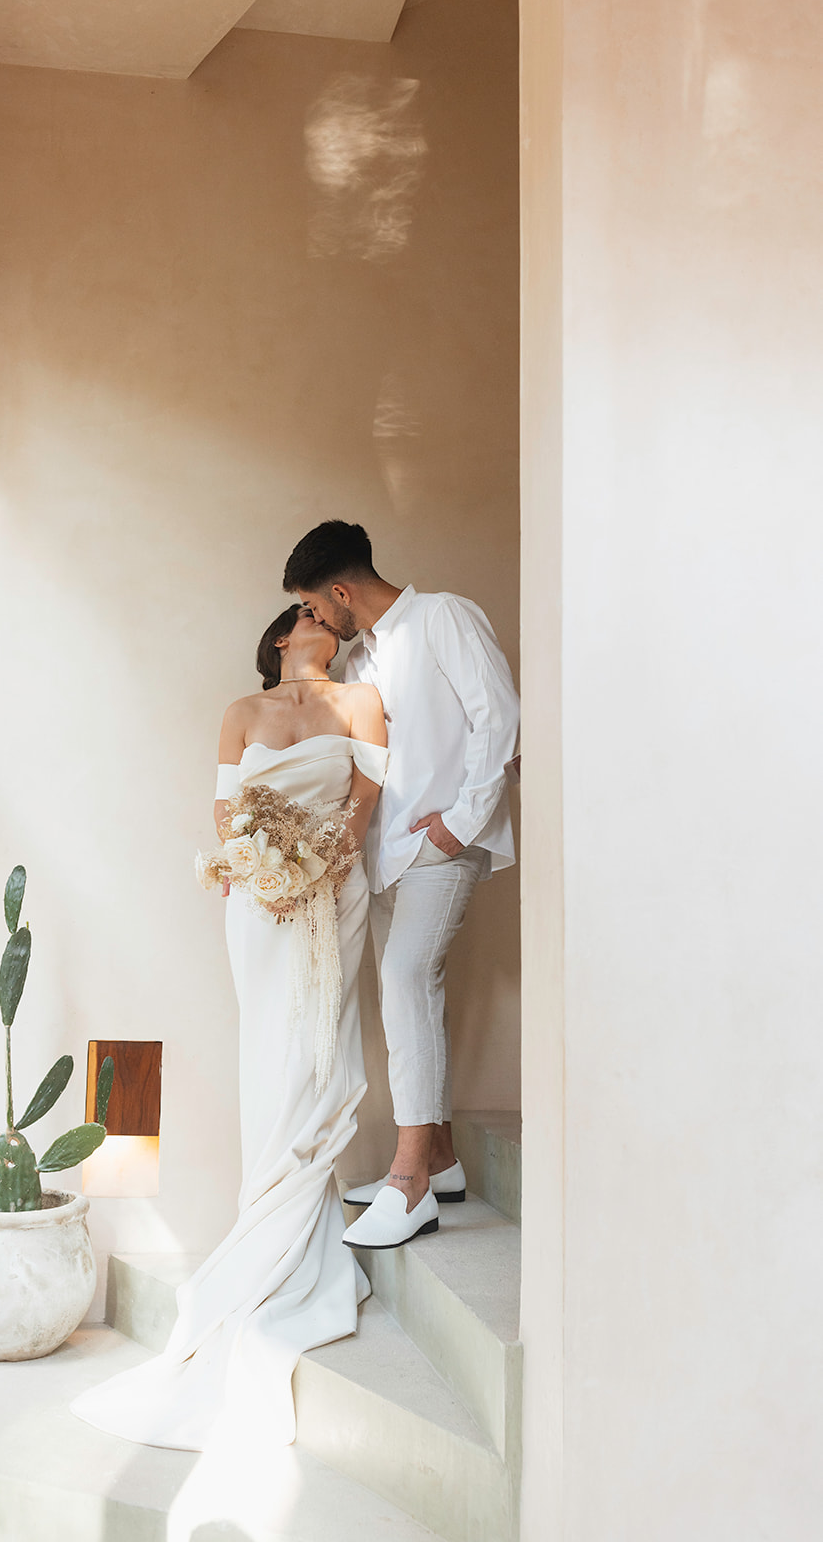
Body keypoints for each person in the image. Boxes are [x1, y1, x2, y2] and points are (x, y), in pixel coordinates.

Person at [71, 604, 387, 1450]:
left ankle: (290, 1234)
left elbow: (366, 793)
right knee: (268, 1054)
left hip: (331, 889)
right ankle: (267, 1219)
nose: (325, 618)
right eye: (309, 613)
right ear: (282, 638)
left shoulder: (360, 701)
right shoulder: (240, 713)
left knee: (316, 1049)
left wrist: (324, 855)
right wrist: (257, 864)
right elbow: (224, 810)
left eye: (329, 611)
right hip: (255, 899)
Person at [282, 520, 520, 1252]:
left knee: (405, 978)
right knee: (410, 991)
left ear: (341, 590)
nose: (317, 622)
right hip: (386, 856)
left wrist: (461, 819)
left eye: (316, 608)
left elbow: (499, 718)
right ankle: (441, 1156)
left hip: (442, 846)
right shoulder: (361, 659)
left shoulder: (443, 616)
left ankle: (409, 1181)